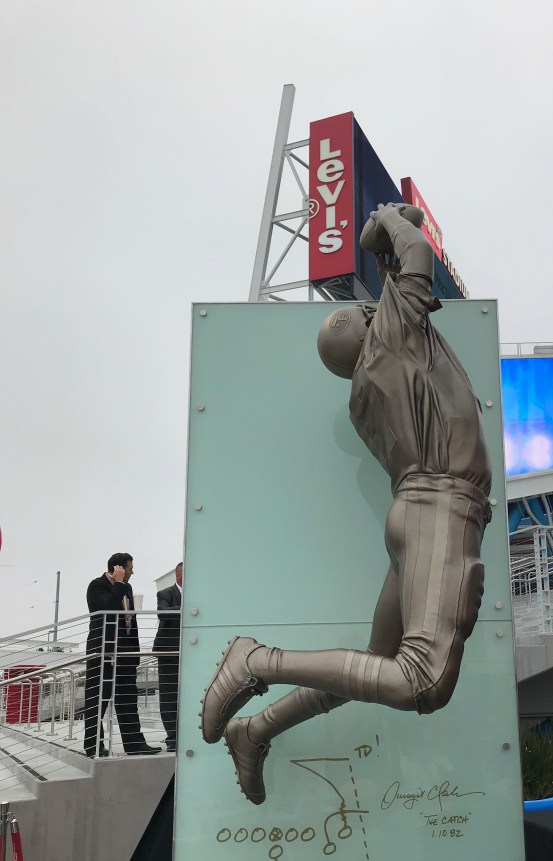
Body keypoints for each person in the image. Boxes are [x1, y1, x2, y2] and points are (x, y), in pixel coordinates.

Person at [201, 201, 493, 805]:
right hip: (441, 507)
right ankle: (257, 662)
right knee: (424, 680)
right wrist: (385, 219)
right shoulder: (392, 341)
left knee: (376, 662)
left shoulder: (374, 382)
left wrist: (385, 240)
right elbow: (415, 255)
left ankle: (257, 729)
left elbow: (400, 271)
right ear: (372, 322)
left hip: (415, 513)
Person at [84, 553, 161, 757]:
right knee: (97, 700)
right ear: (117, 569)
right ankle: (93, 746)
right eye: (129, 568)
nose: (132, 572)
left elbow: (130, 622)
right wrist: (117, 583)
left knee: (128, 700)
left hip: (125, 653)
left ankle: (135, 744)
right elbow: (108, 606)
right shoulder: (97, 586)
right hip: (103, 653)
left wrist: (134, 652)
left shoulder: (127, 588)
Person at [153, 561, 182, 753]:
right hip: (169, 652)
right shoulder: (165, 593)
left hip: (191, 652)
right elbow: (163, 614)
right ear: (179, 576)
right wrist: (186, 607)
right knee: (169, 696)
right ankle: (173, 738)